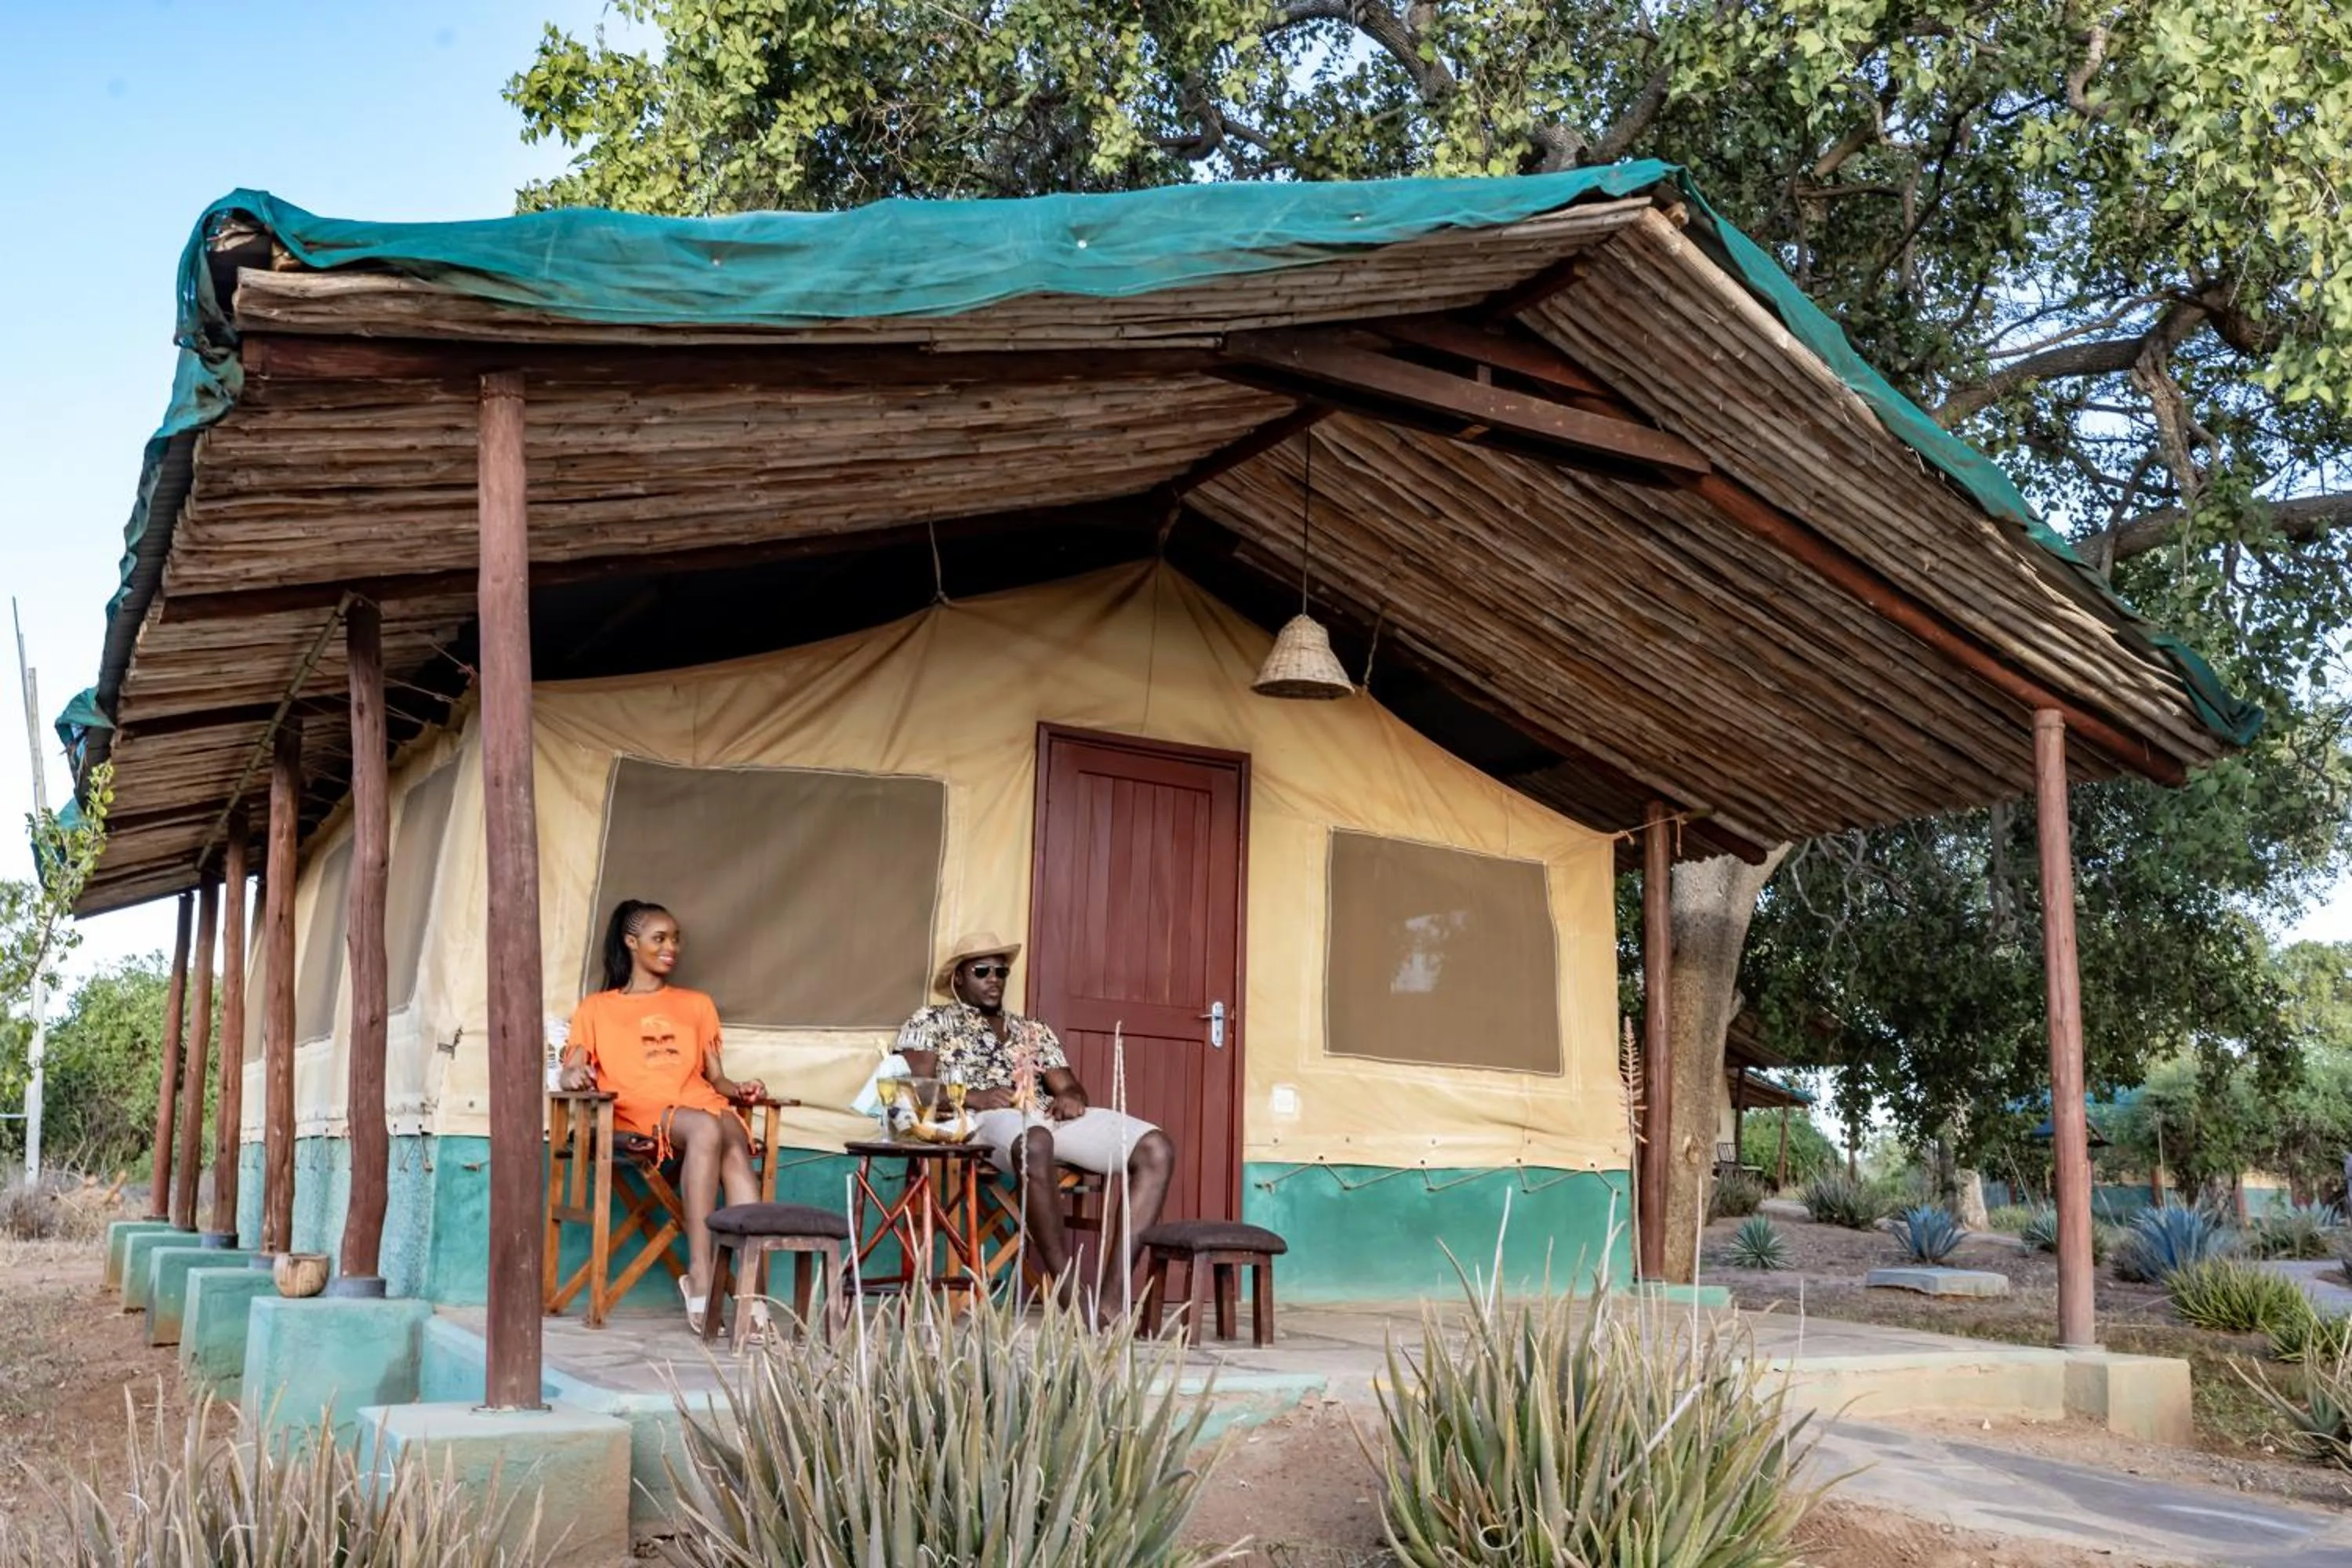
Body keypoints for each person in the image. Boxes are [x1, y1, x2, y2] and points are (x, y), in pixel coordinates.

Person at [895, 932, 1176, 1307]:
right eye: (982, 971)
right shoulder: (930, 1020)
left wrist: (1070, 1097)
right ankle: (1069, 1295)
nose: (994, 979)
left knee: (1156, 1148)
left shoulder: (1033, 1029)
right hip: (981, 1119)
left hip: (1041, 1117)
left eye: (1001, 972)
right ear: (958, 978)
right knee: (1036, 1140)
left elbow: (1070, 1087)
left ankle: (1111, 1301)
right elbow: (913, 1092)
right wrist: (975, 1097)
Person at [561, 899, 768, 1335]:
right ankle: (701, 1273)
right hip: (639, 1109)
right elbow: (572, 1068)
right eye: (659, 938)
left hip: (697, 1101)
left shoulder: (697, 1004)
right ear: (631, 942)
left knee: (731, 1132)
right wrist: (574, 1074)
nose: (671, 947)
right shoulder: (596, 1008)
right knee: (708, 1126)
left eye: (676, 939)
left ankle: (752, 1291)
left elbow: (716, 1078)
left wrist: (742, 1089)